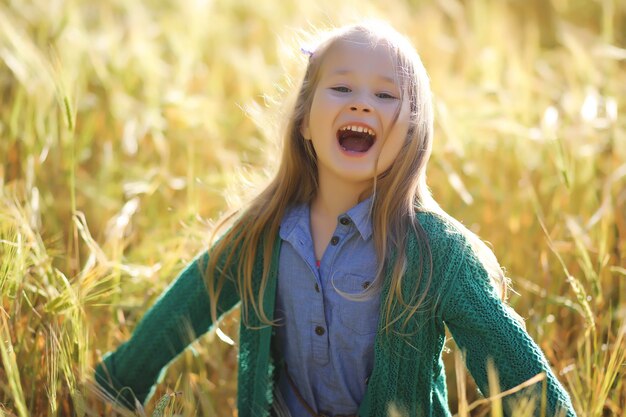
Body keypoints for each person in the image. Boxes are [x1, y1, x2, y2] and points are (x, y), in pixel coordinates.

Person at [94, 20, 577, 417]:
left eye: (386, 96)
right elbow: (189, 303)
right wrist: (117, 383)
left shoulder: (437, 252)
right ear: (304, 120)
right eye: (342, 86)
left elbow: (507, 355)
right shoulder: (263, 231)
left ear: (413, 133)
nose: (361, 102)